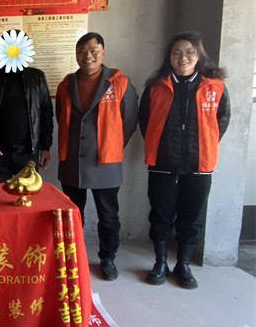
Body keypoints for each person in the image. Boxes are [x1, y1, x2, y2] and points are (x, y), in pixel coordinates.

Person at [139, 33, 230, 289]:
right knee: (160, 214)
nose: (183, 57)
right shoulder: (156, 87)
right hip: (162, 163)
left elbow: (222, 120)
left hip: (199, 164)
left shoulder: (215, 87)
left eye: (189, 52)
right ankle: (160, 263)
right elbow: (145, 121)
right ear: (169, 57)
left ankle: (183, 265)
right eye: (177, 52)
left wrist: (205, 144)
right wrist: (161, 146)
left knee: (191, 216)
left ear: (198, 55)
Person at [55, 32, 138, 281]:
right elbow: (61, 117)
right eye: (82, 51)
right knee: (73, 213)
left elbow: (129, 120)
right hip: (72, 161)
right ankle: (74, 256)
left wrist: (111, 145)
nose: (87, 55)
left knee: (108, 215)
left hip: (106, 161)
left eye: (93, 50)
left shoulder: (120, 83)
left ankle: (107, 258)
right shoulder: (66, 85)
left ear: (103, 52)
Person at [0, 30, 53, 182]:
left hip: (29, 153)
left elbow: (46, 113)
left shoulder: (37, 77)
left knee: (27, 194)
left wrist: (45, 147)